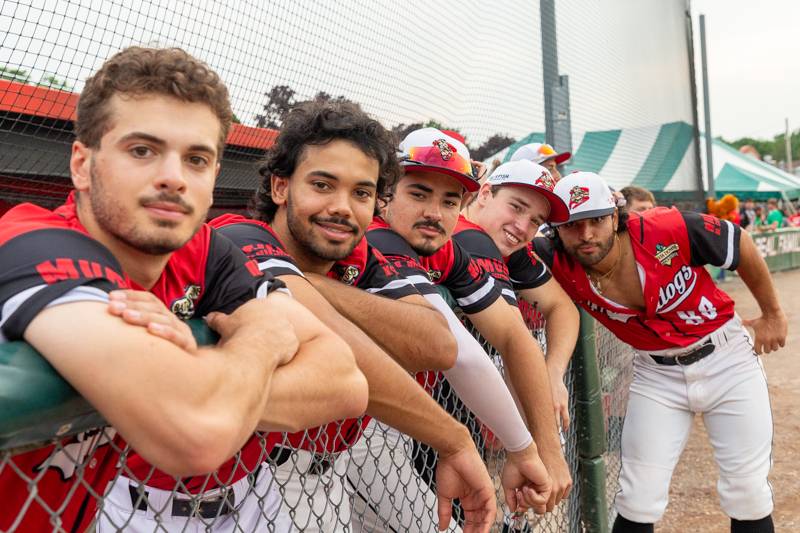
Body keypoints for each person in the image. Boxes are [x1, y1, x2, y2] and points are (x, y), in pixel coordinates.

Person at [0, 47, 366, 532]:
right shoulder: (33, 242)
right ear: (82, 165)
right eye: (142, 150)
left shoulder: (202, 251)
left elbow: (346, 381)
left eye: (196, 159)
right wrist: (262, 339)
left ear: (214, 178)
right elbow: (198, 435)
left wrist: (195, 380)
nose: (173, 178)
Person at [211, 101, 523, 532]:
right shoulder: (236, 235)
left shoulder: (361, 256)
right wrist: (453, 439)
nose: (343, 206)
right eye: (322, 185)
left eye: (361, 192)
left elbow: (438, 343)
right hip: (240, 483)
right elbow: (337, 341)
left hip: (330, 475)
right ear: (281, 187)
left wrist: (313, 285)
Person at [531, 171, 786, 533]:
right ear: (555, 228)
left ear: (615, 216)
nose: (586, 234)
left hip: (727, 359)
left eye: (596, 220)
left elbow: (738, 242)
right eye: (571, 224)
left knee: (747, 491)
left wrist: (772, 314)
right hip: (657, 373)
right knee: (638, 497)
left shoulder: (665, 228)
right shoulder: (551, 257)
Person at [366, 128, 570, 521]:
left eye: (449, 200)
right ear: (385, 194)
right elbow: (454, 351)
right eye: (419, 193)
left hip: (377, 430)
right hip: (298, 447)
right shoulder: (380, 237)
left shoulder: (445, 250)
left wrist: (546, 447)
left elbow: (514, 336)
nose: (434, 212)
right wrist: (524, 449)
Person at [460, 159, 580, 432]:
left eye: (535, 221)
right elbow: (516, 342)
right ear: (486, 193)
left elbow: (562, 307)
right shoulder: (471, 236)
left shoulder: (509, 247)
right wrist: (537, 446)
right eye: (516, 207)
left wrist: (554, 371)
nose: (523, 227)